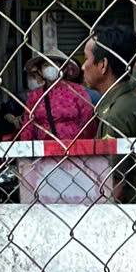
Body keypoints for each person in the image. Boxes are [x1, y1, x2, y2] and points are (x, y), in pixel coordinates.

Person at [79, 33, 136, 203]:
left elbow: (113, 184)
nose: (83, 67)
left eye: (86, 59)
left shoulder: (115, 114)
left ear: (103, 65)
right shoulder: (131, 102)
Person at [15, 53, 102, 205]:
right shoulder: (35, 96)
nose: (50, 68)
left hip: (76, 157)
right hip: (44, 160)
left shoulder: (77, 92)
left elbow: (88, 123)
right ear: (40, 70)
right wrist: (26, 155)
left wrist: (86, 151)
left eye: (55, 63)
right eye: (46, 64)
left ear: (64, 67)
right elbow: (27, 129)